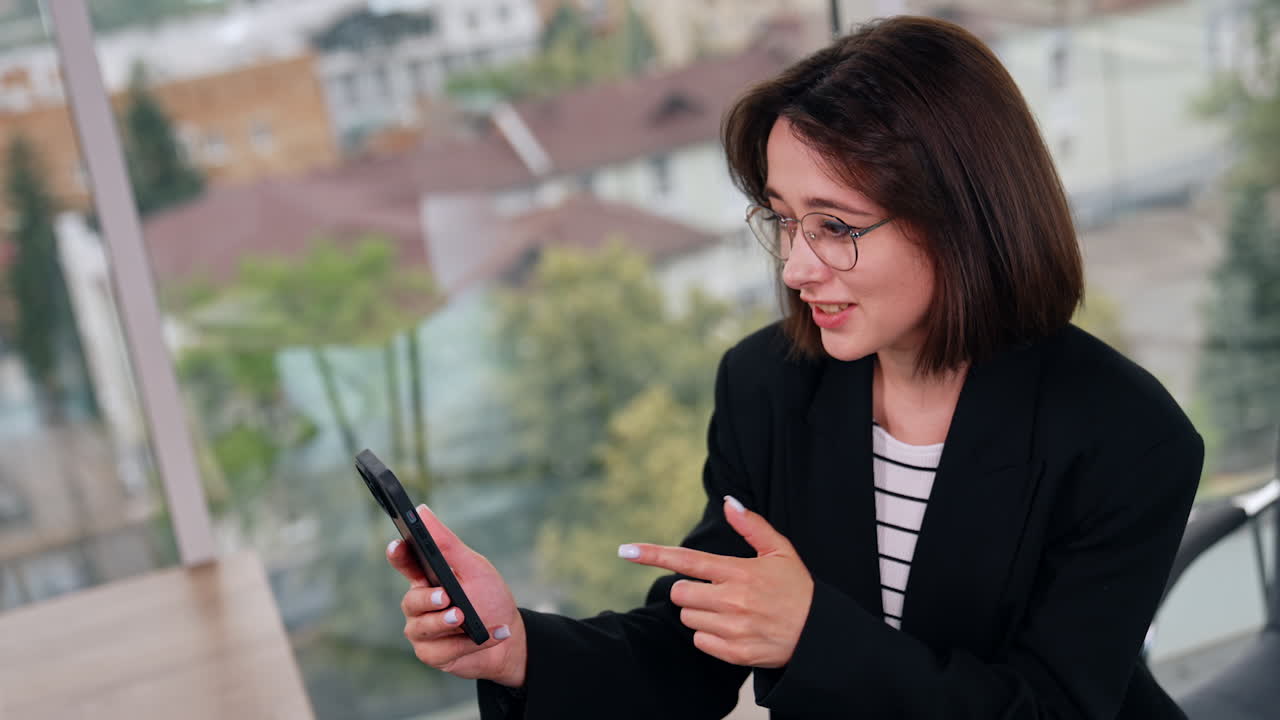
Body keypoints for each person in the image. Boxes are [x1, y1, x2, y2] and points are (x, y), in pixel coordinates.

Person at [386, 15, 1203, 719]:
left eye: (835, 225)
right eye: (782, 220)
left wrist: (814, 635)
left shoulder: (1129, 437)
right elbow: (689, 651)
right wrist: (517, 645)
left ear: (962, 218)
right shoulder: (769, 385)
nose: (796, 268)